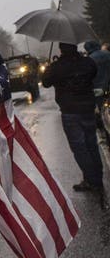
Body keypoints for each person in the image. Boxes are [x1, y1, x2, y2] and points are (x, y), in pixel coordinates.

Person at [42, 42, 109, 209]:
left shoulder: (58, 67)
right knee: (91, 144)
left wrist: (51, 66)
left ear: (61, 49)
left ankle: (93, 181)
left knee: (79, 147)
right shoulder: (87, 62)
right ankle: (96, 178)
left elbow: (45, 82)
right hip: (87, 108)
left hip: (70, 111)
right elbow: (93, 73)